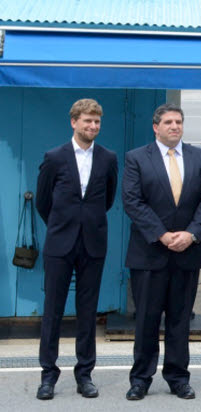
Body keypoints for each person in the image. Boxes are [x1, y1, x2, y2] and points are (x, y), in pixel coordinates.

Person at [122, 103, 201, 401]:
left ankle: (178, 377)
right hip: (150, 253)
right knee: (147, 320)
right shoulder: (137, 158)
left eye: (178, 121)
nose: (174, 126)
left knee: (179, 320)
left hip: (186, 253)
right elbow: (132, 201)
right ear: (155, 126)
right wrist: (162, 235)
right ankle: (140, 379)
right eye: (168, 122)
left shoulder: (200, 158)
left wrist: (191, 234)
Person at [35, 98, 118, 400]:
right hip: (59, 244)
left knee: (87, 311)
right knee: (53, 311)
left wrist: (86, 223)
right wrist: (62, 225)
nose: (92, 126)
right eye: (87, 121)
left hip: (93, 243)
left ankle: (85, 374)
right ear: (74, 122)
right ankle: (48, 376)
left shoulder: (108, 158)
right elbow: (44, 202)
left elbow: (107, 200)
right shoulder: (54, 157)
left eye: (96, 122)